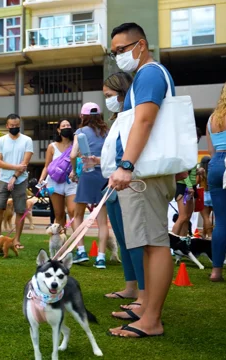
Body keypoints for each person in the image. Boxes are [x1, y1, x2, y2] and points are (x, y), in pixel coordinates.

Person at [107, 22, 177, 338]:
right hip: (144, 172)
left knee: (154, 243)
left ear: (141, 45)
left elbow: (144, 121)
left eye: (122, 50)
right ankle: (146, 311)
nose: (118, 56)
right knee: (148, 244)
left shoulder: (149, 74)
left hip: (144, 172)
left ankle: (151, 320)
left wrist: (126, 164)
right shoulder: (146, 76)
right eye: (114, 52)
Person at [101, 72, 145, 311]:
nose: (106, 99)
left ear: (121, 93)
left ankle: (142, 292)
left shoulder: (131, 117)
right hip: (112, 185)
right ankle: (130, 286)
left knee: (134, 239)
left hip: (126, 183)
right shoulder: (119, 118)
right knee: (121, 237)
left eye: (109, 95)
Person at [69, 103, 109, 269]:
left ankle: (81, 251)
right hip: (105, 175)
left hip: (88, 174)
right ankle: (101, 258)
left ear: (83, 116)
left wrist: (74, 172)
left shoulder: (80, 132)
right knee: (102, 221)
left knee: (77, 214)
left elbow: (72, 155)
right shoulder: (107, 132)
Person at [0, 114, 33, 249]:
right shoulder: (1, 141)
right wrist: (15, 168)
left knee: (20, 209)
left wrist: (14, 177)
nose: (14, 127)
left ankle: (17, 240)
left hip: (21, 179)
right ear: (7, 126)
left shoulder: (27, 140)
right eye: (12, 126)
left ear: (20, 125)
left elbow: (24, 163)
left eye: (17, 125)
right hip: (3, 178)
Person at [38, 119, 78, 231]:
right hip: (54, 183)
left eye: (68, 125)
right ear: (58, 130)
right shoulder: (52, 146)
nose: (66, 127)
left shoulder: (76, 144)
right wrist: (41, 179)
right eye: (63, 126)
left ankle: (78, 244)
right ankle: (61, 243)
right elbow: (47, 166)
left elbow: (79, 162)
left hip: (71, 182)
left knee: (72, 211)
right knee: (59, 213)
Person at [206, 81, 226, 282]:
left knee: (221, 221)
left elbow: (211, 150)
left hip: (216, 164)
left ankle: (216, 271)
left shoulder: (213, 118)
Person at [171, 131, 200, 238]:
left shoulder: (191, 151)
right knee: (182, 217)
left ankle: (183, 244)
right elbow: (183, 171)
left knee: (187, 217)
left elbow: (190, 171)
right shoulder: (185, 151)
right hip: (183, 186)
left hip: (191, 186)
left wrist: (198, 171)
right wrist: (188, 186)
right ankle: (172, 244)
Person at [197, 156, 213, 239]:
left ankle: (210, 235)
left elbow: (196, 183)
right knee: (207, 217)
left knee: (205, 217)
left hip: (203, 194)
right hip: (212, 194)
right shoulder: (212, 171)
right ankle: (203, 234)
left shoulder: (200, 172)